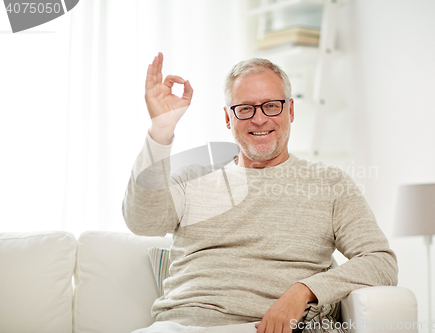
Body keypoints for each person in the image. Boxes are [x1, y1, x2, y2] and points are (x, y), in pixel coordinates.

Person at [123, 52, 398, 333]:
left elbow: (381, 262)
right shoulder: (193, 178)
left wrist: (302, 291)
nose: (259, 119)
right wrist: (161, 130)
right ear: (228, 118)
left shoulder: (329, 183)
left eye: (271, 106)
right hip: (182, 325)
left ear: (290, 111)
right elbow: (143, 222)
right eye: (245, 109)